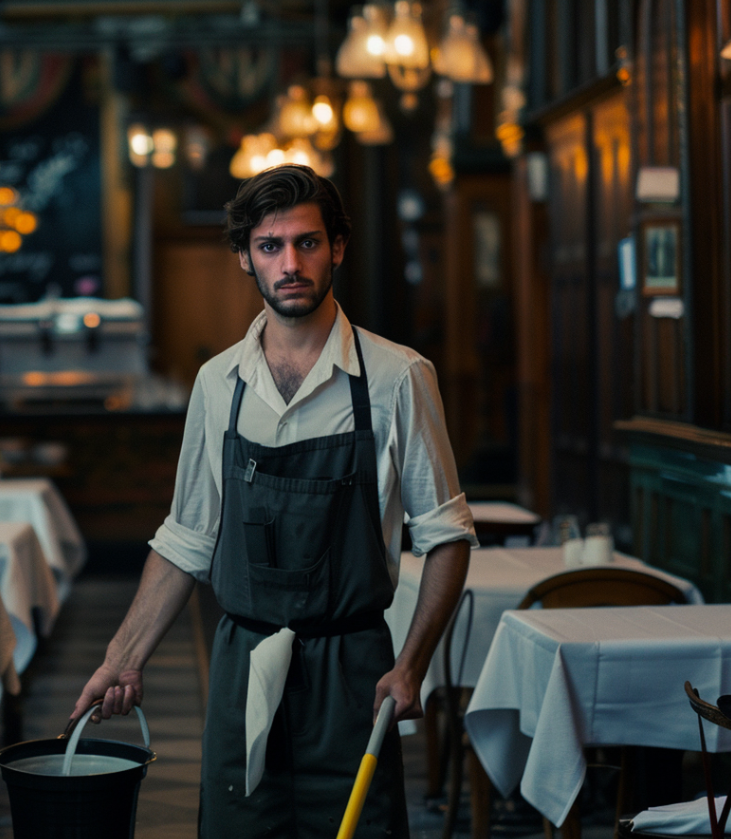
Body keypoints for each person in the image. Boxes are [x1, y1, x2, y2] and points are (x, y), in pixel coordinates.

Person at [71, 164, 475, 838]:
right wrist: (121, 657)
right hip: (242, 667)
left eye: (307, 243)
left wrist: (411, 666)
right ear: (243, 257)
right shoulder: (216, 383)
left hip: (353, 677)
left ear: (337, 247)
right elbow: (186, 538)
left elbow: (447, 535)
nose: (290, 263)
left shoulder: (397, 376)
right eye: (269, 246)